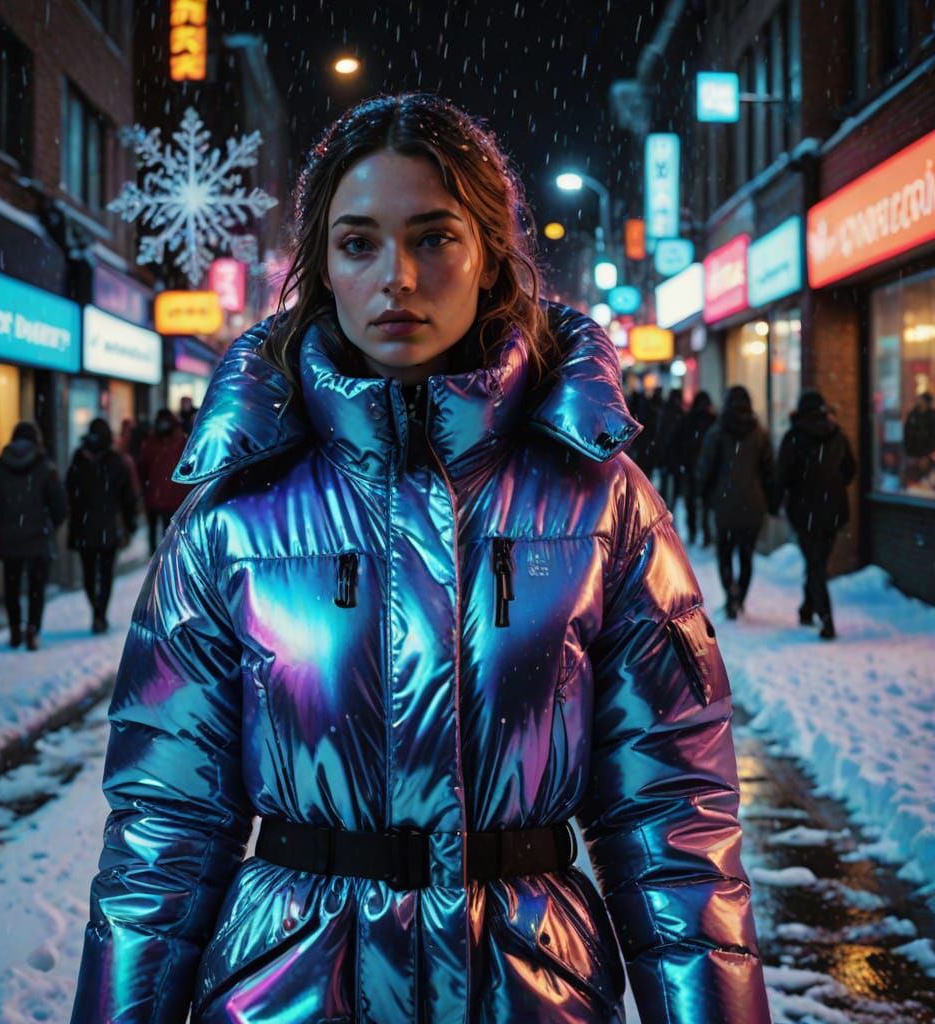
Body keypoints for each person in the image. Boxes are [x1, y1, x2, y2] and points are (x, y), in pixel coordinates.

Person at [72, 93, 768, 1024]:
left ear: (487, 255)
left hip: (533, 994)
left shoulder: (602, 500)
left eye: (433, 238)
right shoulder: (234, 512)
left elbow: (676, 826)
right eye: (358, 243)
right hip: (288, 996)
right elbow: (164, 832)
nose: (395, 276)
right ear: (321, 266)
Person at [775, 389, 857, 640]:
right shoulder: (837, 435)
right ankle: (807, 608)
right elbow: (850, 470)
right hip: (832, 511)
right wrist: (831, 486)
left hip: (804, 511)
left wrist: (777, 501)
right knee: (817, 562)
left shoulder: (795, 437)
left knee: (815, 565)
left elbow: (783, 476)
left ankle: (826, 617)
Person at [0, 422, 66, 651]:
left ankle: (14, 630)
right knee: (37, 587)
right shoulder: (45, 467)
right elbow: (59, 506)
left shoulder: (0, 465)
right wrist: (48, 523)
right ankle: (33, 629)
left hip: (10, 536)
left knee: (12, 585)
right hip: (38, 536)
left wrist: (6, 511)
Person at [697, 385, 774, 619]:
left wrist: (706, 495)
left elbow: (705, 470)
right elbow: (769, 470)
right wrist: (769, 499)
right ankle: (740, 596)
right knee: (746, 554)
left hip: (724, 503)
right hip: (753, 504)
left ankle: (730, 595)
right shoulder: (760, 433)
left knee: (725, 552)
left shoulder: (717, 433)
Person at [66, 418, 138, 634]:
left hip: (84, 526)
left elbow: (70, 493)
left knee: (89, 573)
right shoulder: (115, 461)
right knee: (105, 574)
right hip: (108, 526)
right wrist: (130, 522)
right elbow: (128, 497)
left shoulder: (79, 459)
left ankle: (96, 609)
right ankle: (100, 613)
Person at [136, 407, 189, 555]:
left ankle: (164, 556)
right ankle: (156, 556)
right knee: (158, 530)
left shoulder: (180, 441)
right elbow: (143, 466)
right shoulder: (153, 442)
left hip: (171, 496)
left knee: (168, 531)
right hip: (158, 495)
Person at [674, 389, 716, 545]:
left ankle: (693, 531)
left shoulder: (687, 420)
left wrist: (681, 463)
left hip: (689, 467)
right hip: (707, 470)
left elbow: (677, 443)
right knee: (705, 502)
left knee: (691, 502)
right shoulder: (713, 421)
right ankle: (705, 532)